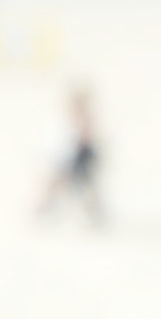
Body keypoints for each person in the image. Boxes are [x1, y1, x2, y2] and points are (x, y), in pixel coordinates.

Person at [37, 86, 103, 224]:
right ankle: (43, 209)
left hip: (80, 156)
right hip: (72, 155)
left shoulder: (83, 117)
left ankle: (93, 213)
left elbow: (85, 137)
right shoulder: (76, 117)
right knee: (62, 182)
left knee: (83, 185)